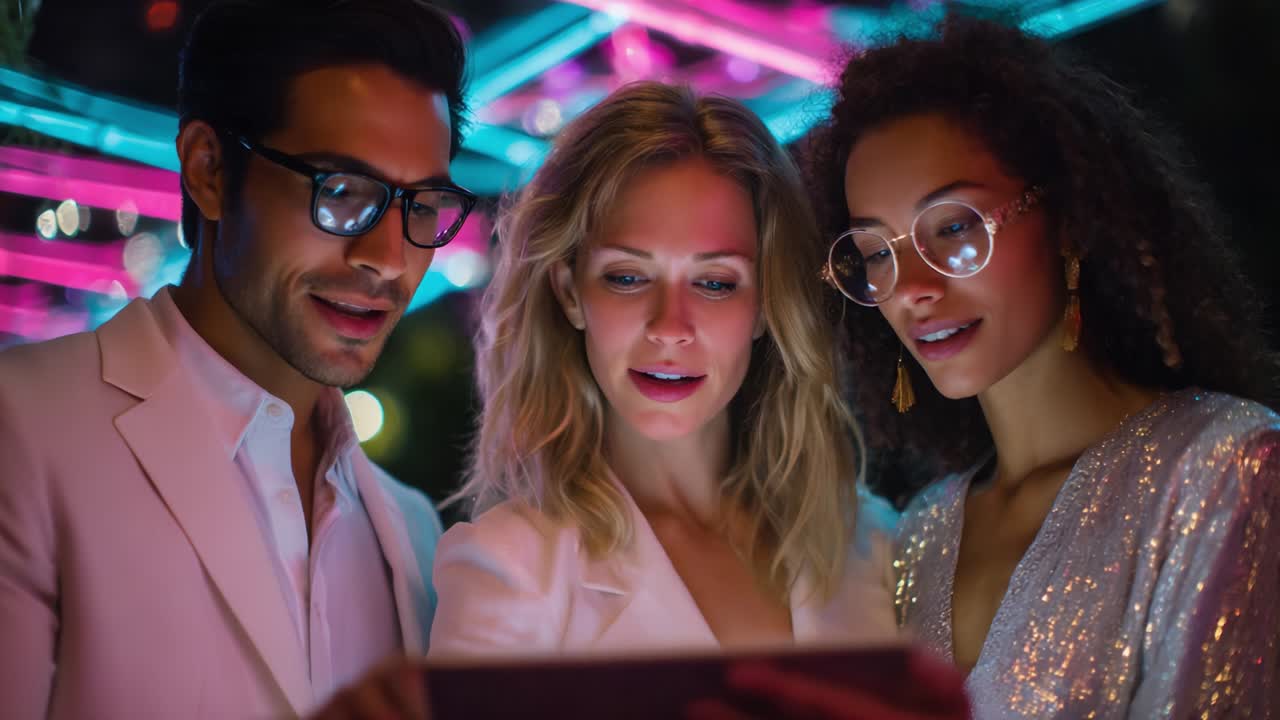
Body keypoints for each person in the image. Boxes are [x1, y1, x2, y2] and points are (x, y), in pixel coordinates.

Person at [0, 1, 474, 717]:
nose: (387, 258)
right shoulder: (24, 432)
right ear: (210, 170)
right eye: (341, 192)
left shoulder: (413, 533)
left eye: (423, 205)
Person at [804, 15, 1280, 718]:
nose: (911, 287)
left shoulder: (1226, 470)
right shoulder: (915, 538)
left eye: (954, 227)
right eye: (876, 253)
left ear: (1069, 218)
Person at [427, 81, 900, 658]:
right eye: (627, 278)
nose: (670, 326)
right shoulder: (510, 571)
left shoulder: (873, 544)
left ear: (765, 304)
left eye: (715, 283)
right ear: (570, 293)